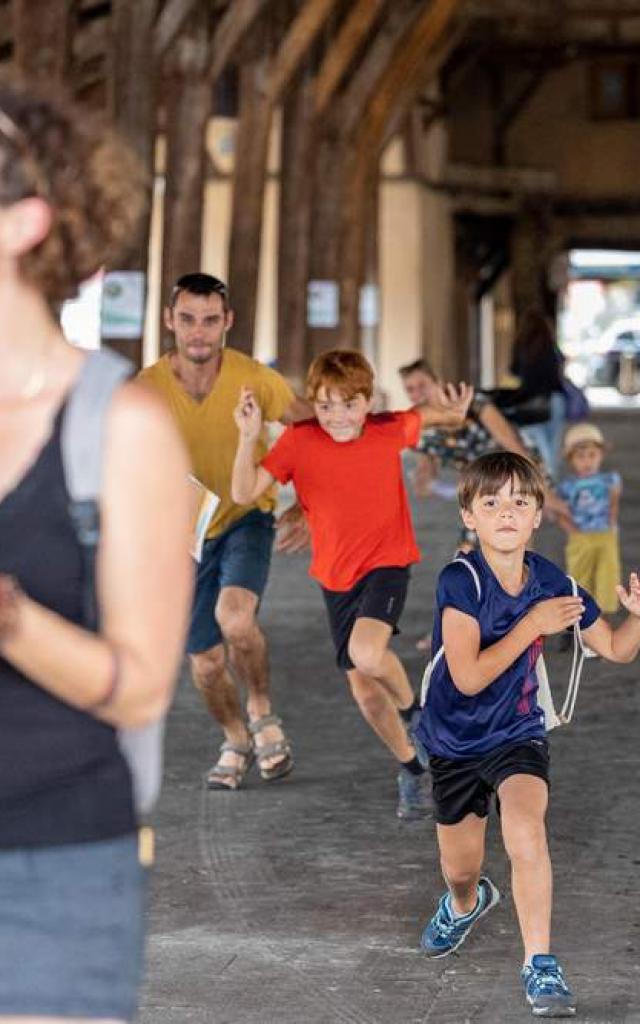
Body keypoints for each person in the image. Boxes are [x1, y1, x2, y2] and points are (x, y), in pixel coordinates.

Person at [0, 83, 193, 1022]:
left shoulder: (120, 428)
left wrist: (12, 621)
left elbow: (143, 687)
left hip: (48, 873)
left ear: (25, 221)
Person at [415, 451, 640, 1017]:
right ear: (470, 516)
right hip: (453, 739)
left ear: (539, 513)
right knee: (461, 869)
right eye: (491, 502)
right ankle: (465, 903)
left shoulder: (553, 580)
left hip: (517, 732)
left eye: (520, 501)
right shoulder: (460, 580)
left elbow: (613, 648)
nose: (506, 512)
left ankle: (539, 962)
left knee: (525, 831)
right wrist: (532, 626)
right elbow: (466, 677)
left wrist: (637, 617)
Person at [231, 348, 473, 819]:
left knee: (367, 652)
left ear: (369, 402)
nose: (337, 417)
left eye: (348, 404)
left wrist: (455, 414)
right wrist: (247, 437)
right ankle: (412, 770)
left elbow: (431, 415)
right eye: (325, 406)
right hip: (335, 577)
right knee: (364, 690)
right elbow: (244, 491)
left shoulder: (387, 430)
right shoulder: (299, 441)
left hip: (386, 563)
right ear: (313, 404)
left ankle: (417, 715)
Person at [140, 272, 310, 791]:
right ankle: (235, 737)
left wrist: (306, 505)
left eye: (210, 320)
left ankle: (261, 711)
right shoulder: (144, 390)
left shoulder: (255, 378)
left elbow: (308, 431)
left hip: (244, 517)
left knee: (235, 620)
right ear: (169, 320)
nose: (198, 332)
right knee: (207, 662)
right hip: (179, 535)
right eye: (187, 319)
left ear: (227, 322)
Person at [557, 422, 622, 617]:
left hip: (604, 534)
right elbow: (559, 511)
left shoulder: (609, 479)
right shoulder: (568, 485)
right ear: (571, 460)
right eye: (580, 456)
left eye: (592, 455)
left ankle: (602, 621)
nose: (587, 461)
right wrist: (571, 530)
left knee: (607, 576)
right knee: (580, 577)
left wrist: (611, 521)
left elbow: (613, 500)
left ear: (601, 455)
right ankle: (577, 622)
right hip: (580, 536)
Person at [509, 308, 566, 480]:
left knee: (539, 447)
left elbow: (514, 370)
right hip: (555, 399)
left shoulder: (521, 346)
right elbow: (559, 373)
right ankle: (551, 484)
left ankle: (542, 486)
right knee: (553, 447)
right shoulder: (552, 346)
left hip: (531, 401)